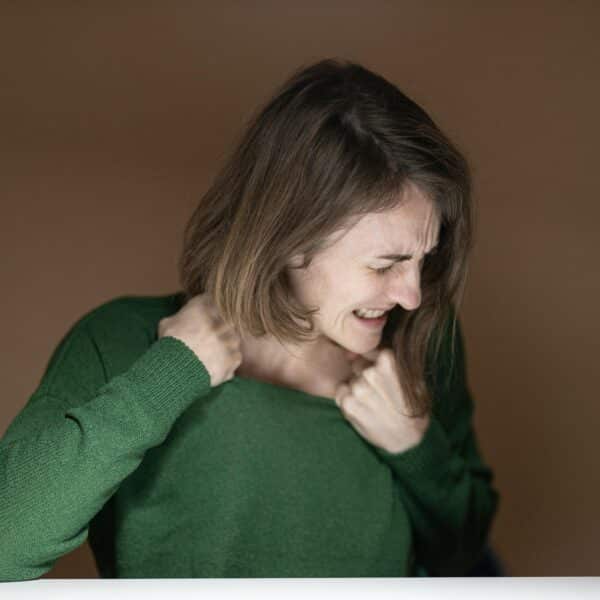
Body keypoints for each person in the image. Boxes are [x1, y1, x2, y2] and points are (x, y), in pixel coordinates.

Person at [0, 58, 500, 580]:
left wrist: (416, 450)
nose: (412, 295)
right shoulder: (120, 341)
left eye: (424, 259)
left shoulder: (423, 341)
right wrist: (168, 377)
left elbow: (461, 554)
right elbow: (4, 544)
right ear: (291, 238)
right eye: (385, 264)